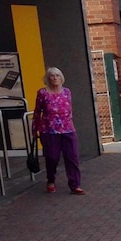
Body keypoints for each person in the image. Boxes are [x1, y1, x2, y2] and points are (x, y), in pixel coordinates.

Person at [32, 67, 86, 195]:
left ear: (61, 78)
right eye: (52, 76)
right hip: (49, 131)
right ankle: (51, 180)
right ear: (48, 78)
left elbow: (69, 110)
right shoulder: (42, 93)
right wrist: (35, 129)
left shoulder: (67, 92)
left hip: (68, 130)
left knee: (72, 157)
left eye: (57, 75)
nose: (55, 78)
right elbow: (37, 112)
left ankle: (75, 185)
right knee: (52, 158)